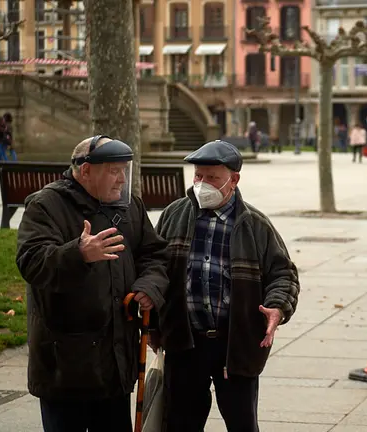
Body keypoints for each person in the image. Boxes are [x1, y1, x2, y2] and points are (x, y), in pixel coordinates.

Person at [16, 135, 171, 432]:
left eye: (124, 170)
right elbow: (31, 261)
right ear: (85, 170)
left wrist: (148, 287)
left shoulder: (129, 208)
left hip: (115, 364)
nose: (121, 179)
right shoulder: (46, 206)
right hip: (66, 367)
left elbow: (154, 255)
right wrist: (79, 253)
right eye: (114, 171)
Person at [150, 140, 300, 432]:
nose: (202, 184)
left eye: (213, 178)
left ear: (234, 180)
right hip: (185, 340)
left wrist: (277, 307)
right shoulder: (174, 215)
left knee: (242, 421)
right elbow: (155, 269)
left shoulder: (255, 225)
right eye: (198, 176)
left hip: (235, 343)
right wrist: (155, 325)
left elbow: (283, 273)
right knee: (180, 422)